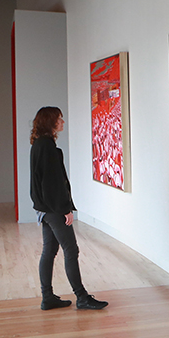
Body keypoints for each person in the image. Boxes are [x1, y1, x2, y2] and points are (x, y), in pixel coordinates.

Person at [29, 106, 108, 311]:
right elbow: (52, 183)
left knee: (50, 250)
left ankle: (48, 297)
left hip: (44, 208)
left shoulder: (40, 144)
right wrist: (65, 209)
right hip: (53, 208)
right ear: (51, 122)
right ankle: (81, 297)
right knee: (71, 250)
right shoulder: (46, 146)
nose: (63, 122)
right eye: (59, 119)